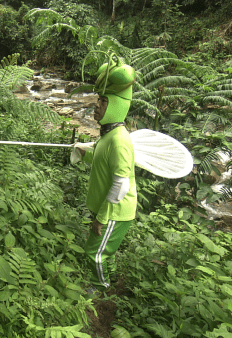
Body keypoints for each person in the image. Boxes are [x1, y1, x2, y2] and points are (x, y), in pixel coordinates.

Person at [78, 61, 137, 292]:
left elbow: (120, 185)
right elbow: (101, 160)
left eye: (104, 101)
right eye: (98, 100)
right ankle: (112, 280)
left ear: (117, 105)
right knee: (106, 253)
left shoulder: (119, 140)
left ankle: (101, 291)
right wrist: (83, 153)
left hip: (115, 212)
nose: (97, 106)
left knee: (95, 254)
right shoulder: (108, 133)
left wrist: (101, 217)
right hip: (110, 210)